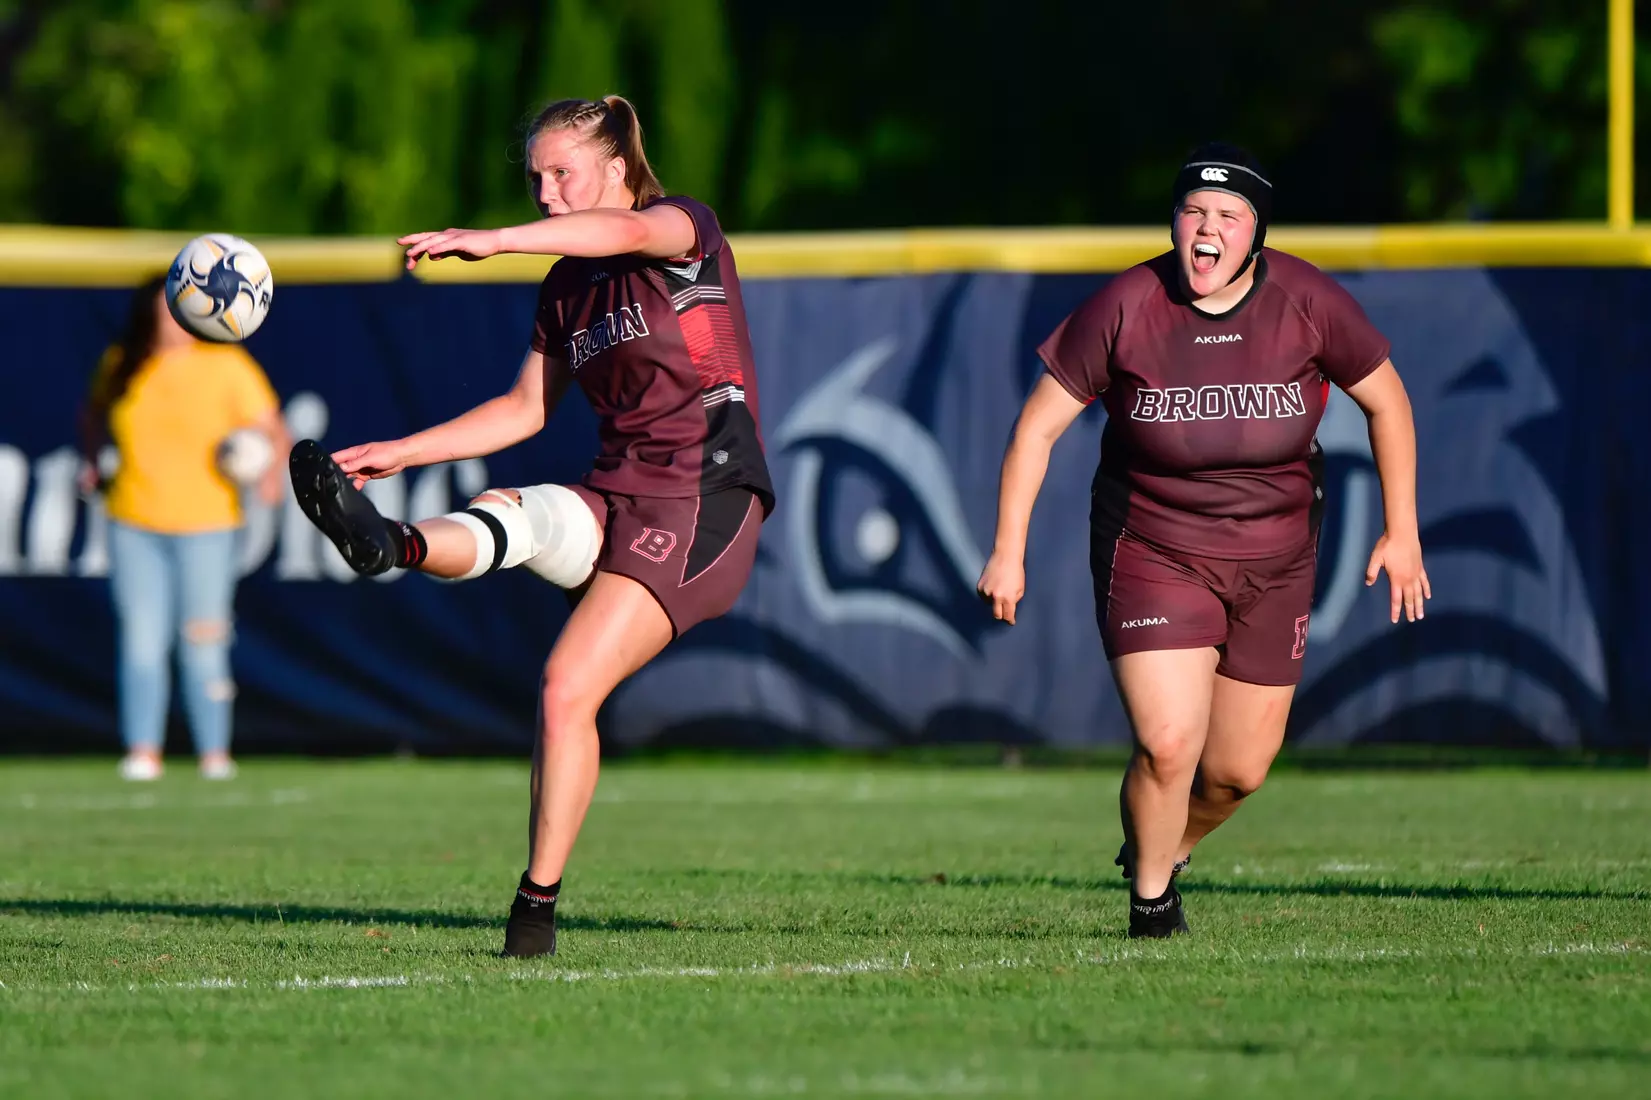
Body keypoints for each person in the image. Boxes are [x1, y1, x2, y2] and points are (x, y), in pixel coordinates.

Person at [287, 95, 774, 958]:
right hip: (618, 490)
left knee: (564, 686)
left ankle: (533, 914)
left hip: (707, 498)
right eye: (535, 178)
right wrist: (401, 449)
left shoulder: (681, 228)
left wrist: (497, 240)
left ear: (616, 169)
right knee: (522, 514)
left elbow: (625, 232)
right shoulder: (567, 286)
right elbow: (523, 408)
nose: (546, 193)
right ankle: (391, 542)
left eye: (562, 174)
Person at [976, 143, 1429, 938]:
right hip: (1154, 547)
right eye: (1192, 212)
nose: (1206, 229)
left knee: (1235, 772)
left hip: (1276, 558)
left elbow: (1387, 403)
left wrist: (1402, 531)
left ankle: (1163, 845)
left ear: (1256, 234)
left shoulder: (1305, 300)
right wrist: (1007, 549)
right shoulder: (1127, 304)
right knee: (1167, 744)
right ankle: (1152, 906)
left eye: (1227, 216)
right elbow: (1036, 429)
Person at [78, 273, 290, 782]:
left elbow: (273, 428)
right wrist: (92, 461)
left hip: (207, 525)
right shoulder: (122, 363)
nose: (175, 319)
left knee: (204, 641)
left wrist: (268, 474)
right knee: (142, 641)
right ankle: (142, 751)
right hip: (134, 521)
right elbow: (92, 416)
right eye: (168, 308)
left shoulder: (226, 364)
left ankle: (214, 752)